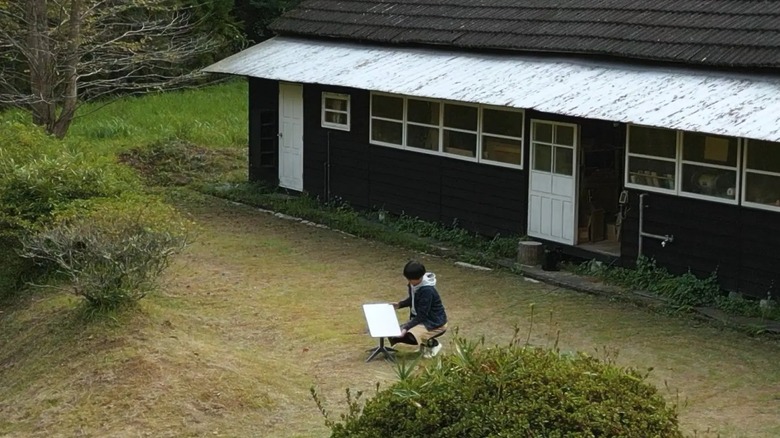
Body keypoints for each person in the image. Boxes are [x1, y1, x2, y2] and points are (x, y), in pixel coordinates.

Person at [389, 260, 448, 358]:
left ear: (420, 277)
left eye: (411, 279)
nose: (409, 282)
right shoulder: (413, 284)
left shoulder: (427, 291)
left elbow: (422, 314)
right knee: (394, 335)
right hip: (421, 319)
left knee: (408, 336)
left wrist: (407, 327)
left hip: (434, 322)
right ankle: (424, 345)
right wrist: (400, 304)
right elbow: (413, 299)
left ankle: (433, 344)